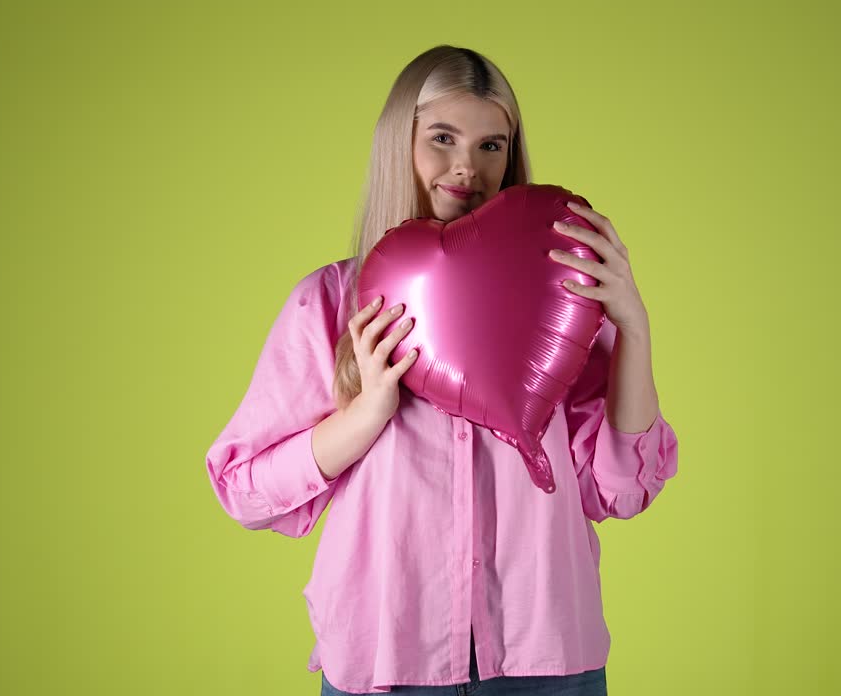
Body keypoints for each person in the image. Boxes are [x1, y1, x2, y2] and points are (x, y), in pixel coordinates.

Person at [205, 45, 680, 696]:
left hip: (547, 664)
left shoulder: (561, 304)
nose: (467, 167)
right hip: (386, 663)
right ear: (398, 144)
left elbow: (617, 492)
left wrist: (634, 329)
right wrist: (365, 415)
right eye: (442, 138)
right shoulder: (328, 305)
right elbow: (243, 487)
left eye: (493, 145)